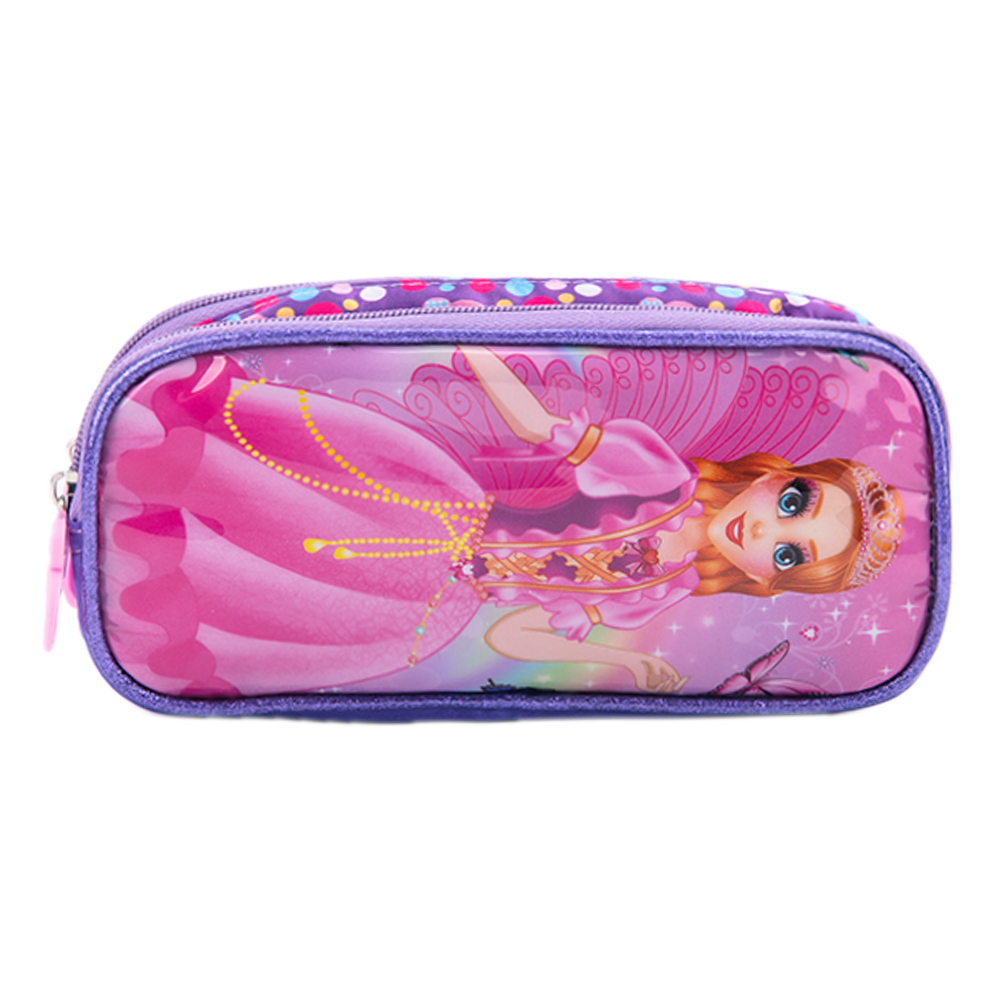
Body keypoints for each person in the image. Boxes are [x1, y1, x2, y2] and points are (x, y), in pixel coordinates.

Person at [103, 346, 904, 697]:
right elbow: (541, 430)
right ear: (773, 476)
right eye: (793, 505)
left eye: (792, 556)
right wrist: (476, 352)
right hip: (435, 513)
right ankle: (157, 490)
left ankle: (147, 555)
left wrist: (622, 665)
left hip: (430, 608)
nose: (768, 533)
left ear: (770, 580)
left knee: (285, 591)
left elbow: (522, 635)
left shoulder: (657, 593)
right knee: (294, 498)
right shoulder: (660, 477)